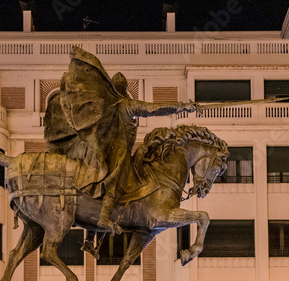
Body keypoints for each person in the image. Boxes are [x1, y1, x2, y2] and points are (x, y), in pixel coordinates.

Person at [44, 47, 197, 255]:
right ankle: (105, 217)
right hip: (117, 154)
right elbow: (153, 109)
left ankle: (90, 237)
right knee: (116, 182)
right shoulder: (125, 105)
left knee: (108, 188)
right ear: (123, 90)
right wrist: (181, 106)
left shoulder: (106, 106)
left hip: (103, 151)